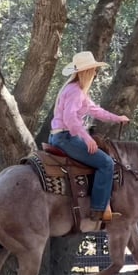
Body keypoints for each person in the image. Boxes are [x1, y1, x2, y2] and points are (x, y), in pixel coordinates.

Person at [48, 51, 130, 222]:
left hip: (62, 136)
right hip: (66, 138)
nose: (95, 73)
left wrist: (117, 118)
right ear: (86, 72)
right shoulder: (75, 92)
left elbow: (96, 111)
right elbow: (70, 119)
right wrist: (87, 138)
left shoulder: (77, 90)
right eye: (93, 70)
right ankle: (98, 209)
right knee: (106, 163)